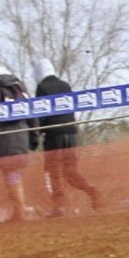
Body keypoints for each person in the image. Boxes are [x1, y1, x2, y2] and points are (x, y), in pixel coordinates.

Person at [29, 58, 101, 216]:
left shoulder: (42, 87)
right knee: (70, 171)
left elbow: (42, 112)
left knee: (52, 171)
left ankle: (59, 207)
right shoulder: (65, 85)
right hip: (70, 132)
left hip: (53, 134)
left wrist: (36, 133)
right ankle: (90, 189)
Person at [0, 56, 33, 222]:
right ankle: (19, 209)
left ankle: (20, 211)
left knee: (10, 173)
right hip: (22, 133)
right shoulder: (18, 84)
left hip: (3, 137)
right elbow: (31, 108)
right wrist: (34, 134)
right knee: (14, 173)